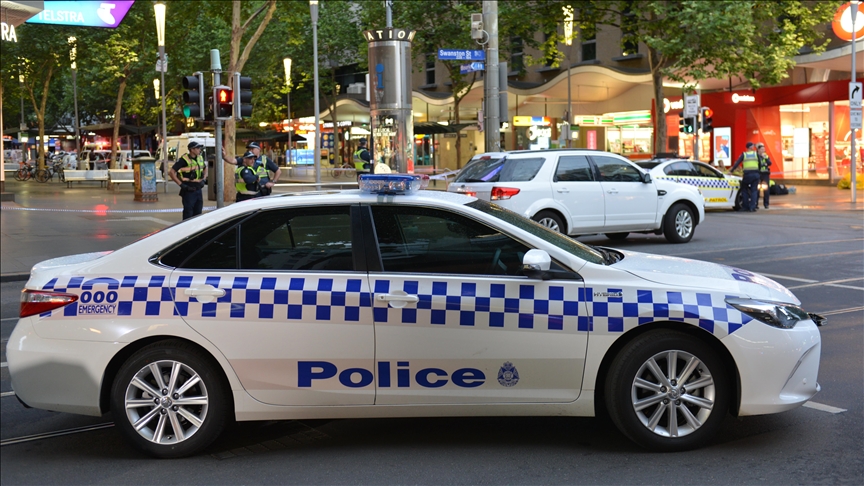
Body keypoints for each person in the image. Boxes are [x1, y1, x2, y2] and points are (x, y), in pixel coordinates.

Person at [168, 141, 207, 220]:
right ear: (192, 150)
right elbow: (171, 172)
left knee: (198, 214)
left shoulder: (200, 158)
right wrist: (181, 185)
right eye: (198, 148)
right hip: (189, 189)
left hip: (198, 189)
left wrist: (204, 179)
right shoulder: (183, 159)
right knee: (188, 214)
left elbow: (205, 168)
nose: (200, 150)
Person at [729, 142, 761, 212]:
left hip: (747, 175)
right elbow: (760, 164)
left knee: (744, 189)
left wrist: (731, 171)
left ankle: (745, 206)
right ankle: (752, 207)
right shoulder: (756, 154)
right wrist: (759, 173)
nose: (753, 147)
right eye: (752, 146)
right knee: (754, 190)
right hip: (755, 174)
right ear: (750, 147)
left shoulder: (744, 154)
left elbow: (737, 163)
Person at [757, 143, 772, 209]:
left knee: (766, 189)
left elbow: (769, 163)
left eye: (764, 149)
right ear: (758, 150)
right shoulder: (756, 156)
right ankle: (756, 204)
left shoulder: (766, 155)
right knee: (757, 189)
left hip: (765, 174)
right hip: (758, 174)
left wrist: (765, 158)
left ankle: (766, 204)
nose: (763, 150)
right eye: (762, 149)